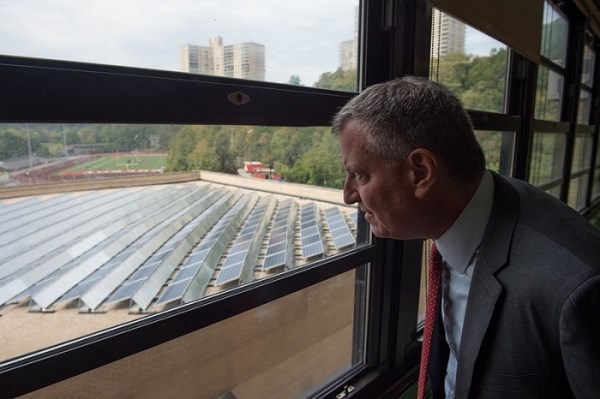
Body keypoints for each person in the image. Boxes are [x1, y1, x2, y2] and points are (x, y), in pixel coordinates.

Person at [332, 76, 600, 398]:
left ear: (420, 172)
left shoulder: (577, 289)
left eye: (359, 175)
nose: (348, 195)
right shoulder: (458, 219)